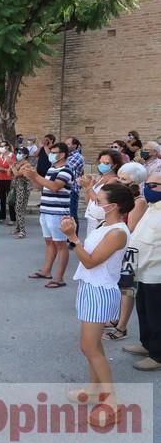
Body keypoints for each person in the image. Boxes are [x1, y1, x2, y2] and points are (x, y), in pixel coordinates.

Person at [61, 183, 134, 427]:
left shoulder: (117, 232)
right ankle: (94, 390)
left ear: (113, 206)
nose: (95, 202)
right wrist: (74, 238)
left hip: (100, 291)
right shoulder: (107, 225)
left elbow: (91, 262)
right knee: (91, 346)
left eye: (99, 199)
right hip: (90, 288)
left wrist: (72, 238)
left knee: (89, 347)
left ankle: (111, 399)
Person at [103, 162, 148, 341]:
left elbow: (129, 228)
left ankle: (122, 327)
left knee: (127, 289)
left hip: (131, 251)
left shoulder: (139, 202)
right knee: (119, 286)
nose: (120, 182)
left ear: (135, 182)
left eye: (124, 180)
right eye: (119, 178)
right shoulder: (125, 200)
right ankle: (116, 319)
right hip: (121, 248)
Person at [123, 171, 161, 371]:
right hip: (142, 269)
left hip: (157, 272)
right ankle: (147, 344)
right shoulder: (152, 206)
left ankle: (158, 355)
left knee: (157, 315)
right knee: (144, 310)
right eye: (148, 184)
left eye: (155, 185)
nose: (149, 188)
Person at [24, 142, 73, 289]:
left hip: (58, 213)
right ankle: (46, 271)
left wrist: (36, 175)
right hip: (46, 210)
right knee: (49, 242)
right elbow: (41, 187)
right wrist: (31, 177)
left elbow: (55, 187)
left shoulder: (66, 170)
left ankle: (59, 277)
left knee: (61, 245)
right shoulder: (52, 169)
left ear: (62, 154)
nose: (51, 154)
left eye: (54, 152)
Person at [80, 150, 123, 238]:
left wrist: (88, 187)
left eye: (106, 163)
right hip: (92, 216)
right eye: (101, 162)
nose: (102, 165)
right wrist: (87, 188)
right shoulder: (100, 178)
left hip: (102, 219)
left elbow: (99, 200)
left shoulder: (113, 180)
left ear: (114, 165)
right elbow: (88, 201)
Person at [9, 147, 32, 238]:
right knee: (16, 208)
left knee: (20, 209)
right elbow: (10, 173)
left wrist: (12, 165)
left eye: (20, 153)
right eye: (17, 152)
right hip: (16, 188)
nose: (18, 154)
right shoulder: (17, 164)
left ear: (25, 155)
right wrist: (11, 166)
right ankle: (18, 228)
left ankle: (22, 231)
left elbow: (18, 174)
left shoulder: (27, 165)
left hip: (23, 190)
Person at [66, 137, 85, 245]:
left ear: (75, 145)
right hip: (65, 189)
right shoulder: (67, 156)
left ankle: (74, 239)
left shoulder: (77, 157)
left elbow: (66, 167)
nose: (66, 146)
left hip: (72, 189)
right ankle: (68, 236)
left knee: (72, 214)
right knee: (66, 214)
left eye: (68, 144)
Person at [0, 142, 16, 225]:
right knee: (2, 198)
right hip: (0, 178)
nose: (1, 147)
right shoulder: (0, 156)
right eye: (0, 146)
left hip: (9, 179)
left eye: (3, 146)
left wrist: (3, 169)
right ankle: (2, 217)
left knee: (10, 199)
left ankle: (12, 218)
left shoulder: (12, 155)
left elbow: (12, 167)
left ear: (7, 147)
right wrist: (4, 169)